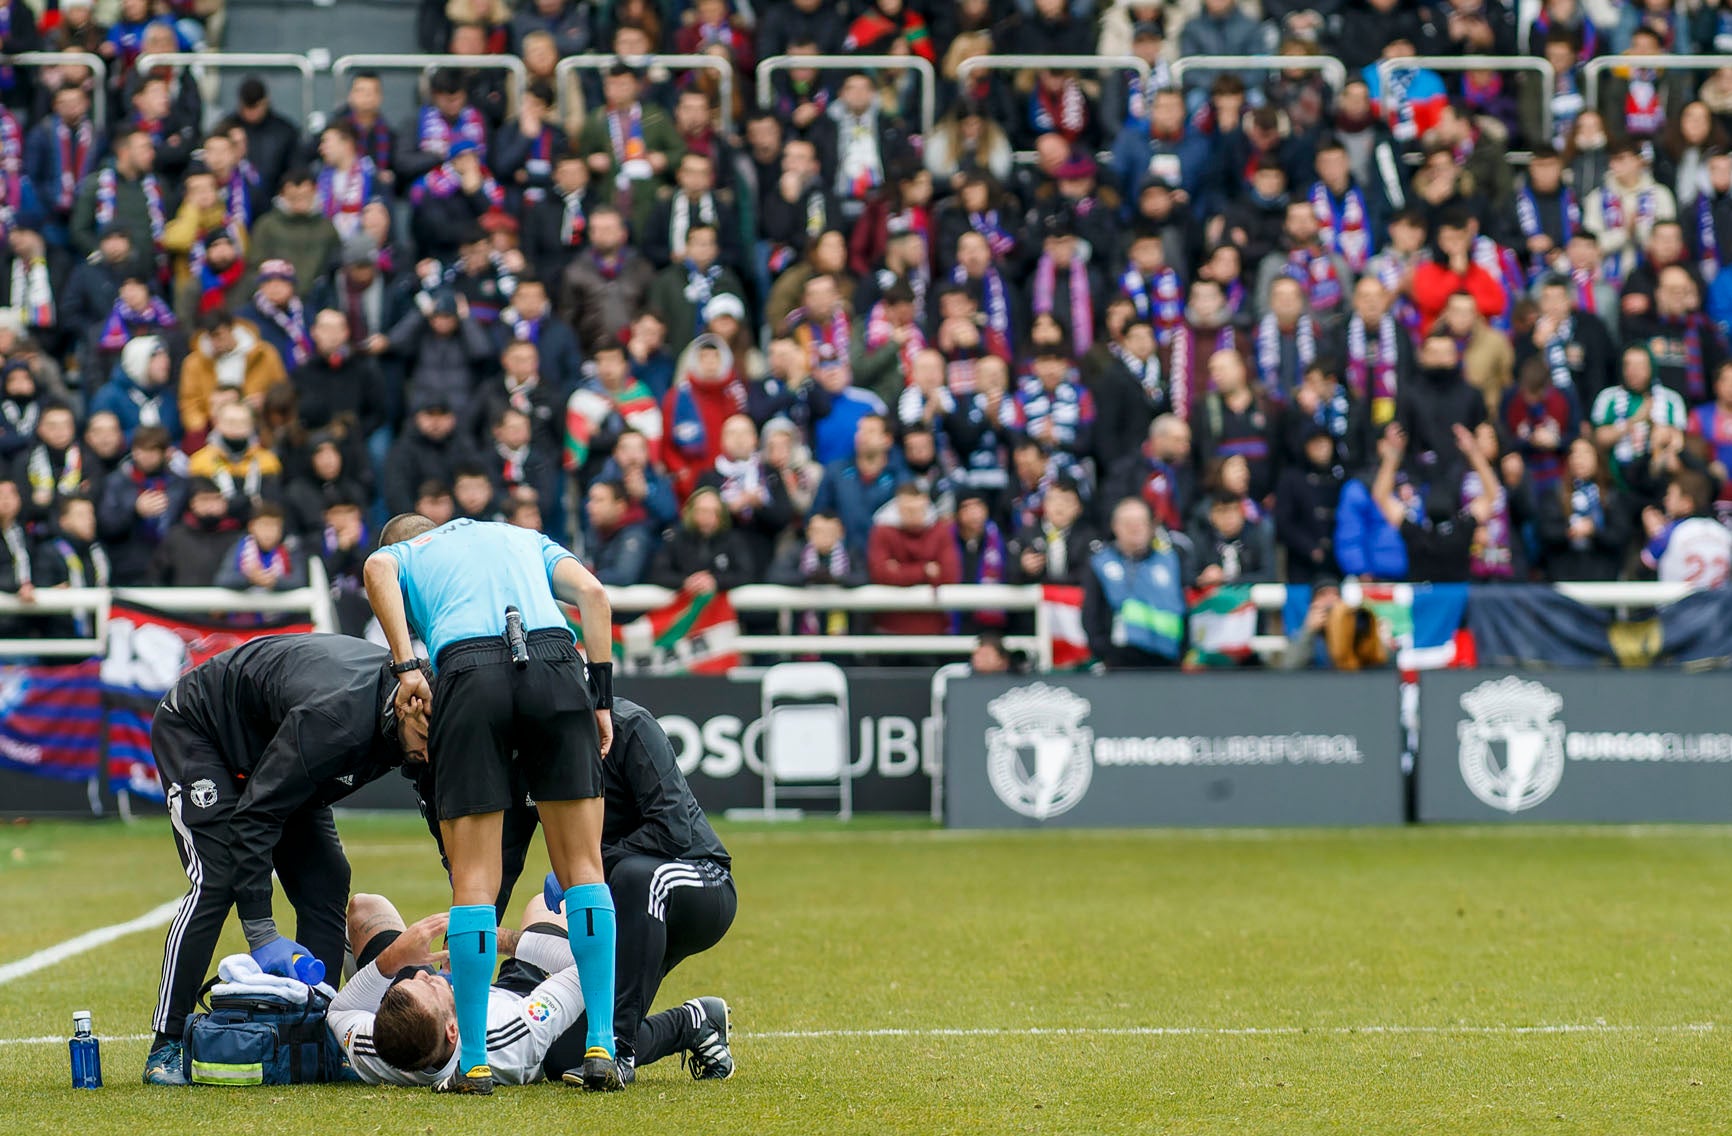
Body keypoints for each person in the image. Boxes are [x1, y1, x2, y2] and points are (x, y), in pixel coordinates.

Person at [364, 513, 620, 1094]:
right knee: (583, 870)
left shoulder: (411, 552)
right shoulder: (524, 537)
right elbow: (596, 596)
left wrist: (407, 667)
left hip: (470, 671)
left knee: (474, 882)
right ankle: (603, 1045)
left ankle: (474, 1062)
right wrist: (600, 698)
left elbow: (377, 566)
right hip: (556, 663)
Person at [141, 635, 427, 1085]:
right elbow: (255, 815)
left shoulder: (421, 723)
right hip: (203, 732)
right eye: (426, 740)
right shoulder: (336, 721)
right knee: (217, 880)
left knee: (326, 878)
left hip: (278, 752)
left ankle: (317, 1032)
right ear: (406, 706)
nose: (428, 753)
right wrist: (262, 933)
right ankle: (167, 1042)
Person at [1082, 496, 1193, 669]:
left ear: (1151, 527)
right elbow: (1091, 613)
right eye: (1128, 523)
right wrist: (1103, 653)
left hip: (1167, 662)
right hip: (1119, 662)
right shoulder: (1099, 563)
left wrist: (1183, 652)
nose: (1135, 529)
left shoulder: (1171, 560)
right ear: (1115, 526)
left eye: (1141, 522)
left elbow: (1184, 607)